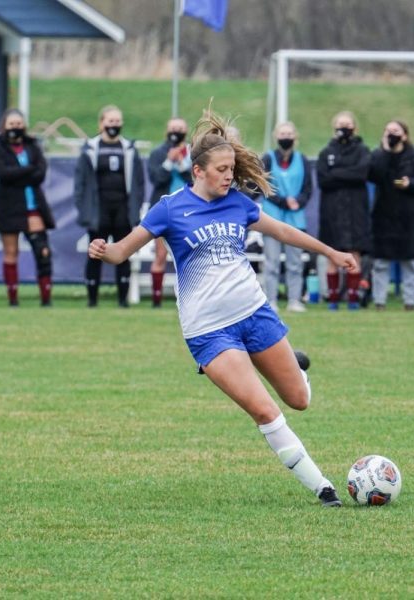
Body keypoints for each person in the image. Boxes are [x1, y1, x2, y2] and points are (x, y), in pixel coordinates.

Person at [88, 109, 357, 507]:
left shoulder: (239, 204)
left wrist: (331, 252)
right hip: (210, 332)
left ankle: (295, 367)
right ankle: (323, 488)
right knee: (264, 410)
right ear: (197, 170)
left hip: (256, 314)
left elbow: (284, 231)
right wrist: (105, 251)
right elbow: (123, 251)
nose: (229, 176)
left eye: (232, 168)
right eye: (221, 169)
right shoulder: (170, 208)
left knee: (299, 400)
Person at [74, 105, 145, 307]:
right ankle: (92, 300)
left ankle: (123, 300)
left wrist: (135, 208)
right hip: (98, 211)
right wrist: (84, 209)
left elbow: (139, 183)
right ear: (101, 123)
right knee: (96, 253)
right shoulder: (90, 148)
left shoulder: (129, 149)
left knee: (123, 253)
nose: (114, 125)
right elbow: (80, 183)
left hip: (123, 210)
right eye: (110, 121)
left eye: (117, 121)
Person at [0, 108, 55, 307]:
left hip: (33, 206)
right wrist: (27, 170)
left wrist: (19, 173)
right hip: (8, 207)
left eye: (19, 125)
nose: (15, 128)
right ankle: (13, 298)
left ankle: (45, 298)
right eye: (11, 125)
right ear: (4, 127)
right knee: (11, 252)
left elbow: (40, 173)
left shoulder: (32, 145)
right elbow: (3, 173)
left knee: (42, 251)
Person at [367, 120, 414, 311]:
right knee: (381, 262)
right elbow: (374, 176)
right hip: (384, 216)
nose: (391, 134)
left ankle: (410, 301)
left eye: (395, 131)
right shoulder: (378, 155)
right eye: (388, 131)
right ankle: (380, 301)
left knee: (410, 262)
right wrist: (386, 152)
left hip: (410, 217)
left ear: (405, 135)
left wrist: (410, 184)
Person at [316, 111, 371, 310]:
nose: (343, 128)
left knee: (354, 254)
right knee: (332, 253)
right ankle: (332, 299)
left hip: (356, 210)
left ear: (354, 127)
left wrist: (337, 173)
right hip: (332, 211)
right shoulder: (326, 152)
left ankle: (353, 299)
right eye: (340, 124)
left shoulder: (363, 150)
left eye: (347, 124)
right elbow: (324, 180)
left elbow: (361, 174)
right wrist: (348, 173)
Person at [261, 121, 313, 313]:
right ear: (276, 136)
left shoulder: (303, 160)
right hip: (272, 217)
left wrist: (298, 201)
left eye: (289, 133)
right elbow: (263, 186)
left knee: (295, 263)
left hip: (295, 218)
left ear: (295, 137)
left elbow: (308, 188)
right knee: (272, 262)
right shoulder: (268, 158)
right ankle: (271, 300)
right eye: (282, 133)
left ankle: (294, 300)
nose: (286, 137)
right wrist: (283, 201)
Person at [147, 117, 191, 308]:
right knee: (160, 255)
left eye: (180, 128)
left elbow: (195, 181)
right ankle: (156, 298)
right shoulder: (157, 153)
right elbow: (156, 178)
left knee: (190, 257)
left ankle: (189, 298)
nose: (176, 132)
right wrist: (168, 161)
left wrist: (181, 163)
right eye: (173, 128)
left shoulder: (192, 153)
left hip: (189, 210)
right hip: (165, 211)